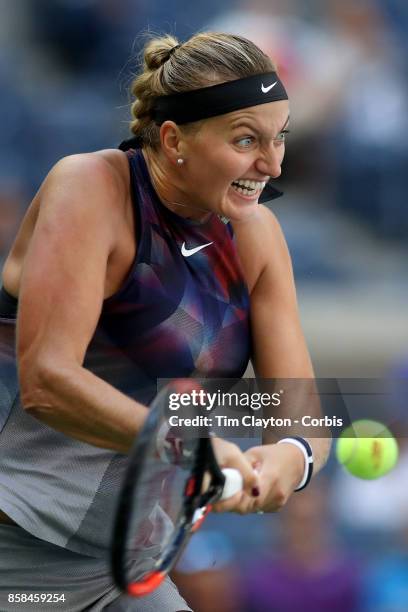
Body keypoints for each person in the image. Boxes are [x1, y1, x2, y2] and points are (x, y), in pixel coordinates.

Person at [0, 32, 330, 611]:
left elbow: (298, 411)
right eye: (246, 139)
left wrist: (293, 457)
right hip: (17, 554)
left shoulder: (257, 237)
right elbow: (46, 383)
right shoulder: (90, 188)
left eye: (280, 138)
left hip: (129, 565)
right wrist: (189, 445)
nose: (273, 163)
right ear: (175, 138)